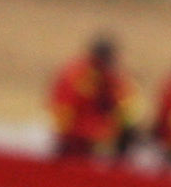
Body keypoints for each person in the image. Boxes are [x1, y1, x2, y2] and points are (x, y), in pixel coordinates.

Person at [47, 34, 134, 162]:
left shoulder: (111, 77)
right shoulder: (76, 74)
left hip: (97, 135)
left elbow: (125, 106)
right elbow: (63, 106)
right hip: (77, 136)